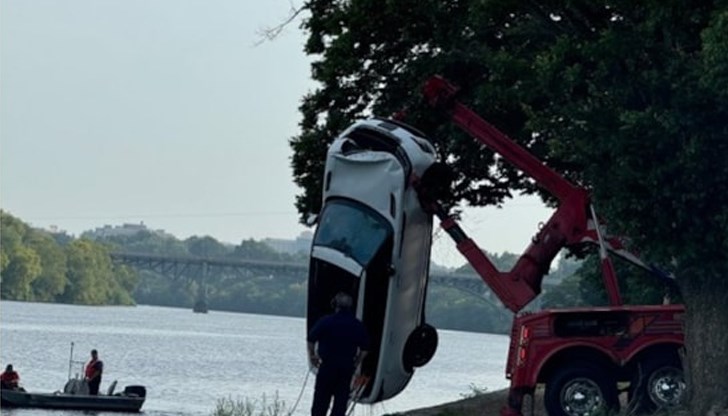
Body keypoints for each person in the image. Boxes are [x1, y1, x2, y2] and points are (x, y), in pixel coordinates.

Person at [307, 292, 369, 416]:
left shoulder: (326, 321)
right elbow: (365, 349)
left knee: (320, 402)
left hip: (327, 367)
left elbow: (311, 339)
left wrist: (312, 356)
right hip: (346, 368)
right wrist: (357, 362)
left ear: (335, 305)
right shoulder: (357, 325)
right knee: (340, 403)